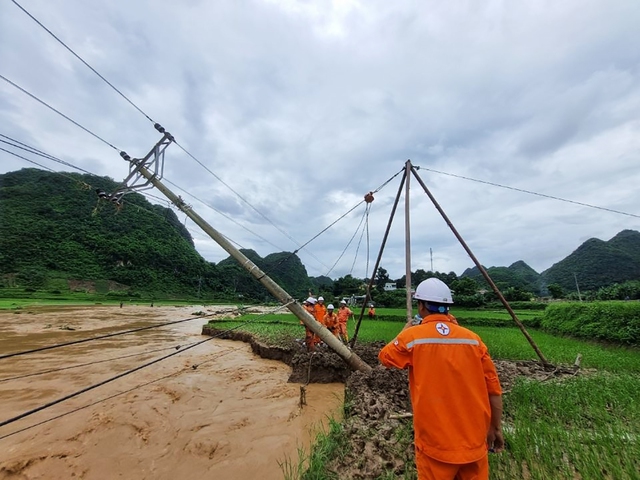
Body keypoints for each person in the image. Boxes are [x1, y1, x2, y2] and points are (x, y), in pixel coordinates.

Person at [378, 278, 504, 480]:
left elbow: (385, 357)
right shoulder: (473, 340)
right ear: (447, 307)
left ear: (421, 306)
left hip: (435, 446)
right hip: (474, 444)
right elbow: (494, 391)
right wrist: (496, 428)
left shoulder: (413, 338)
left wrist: (404, 331)